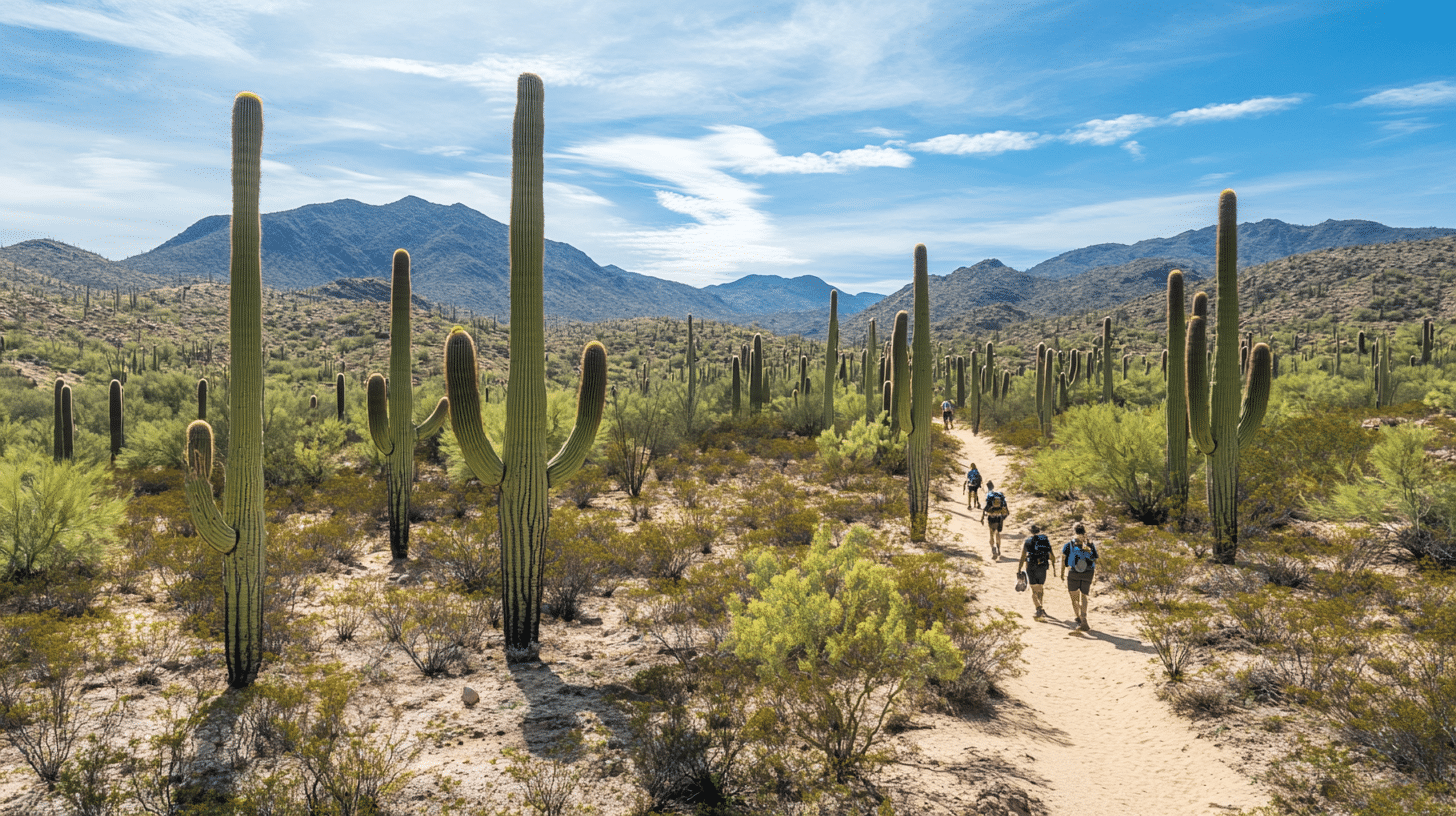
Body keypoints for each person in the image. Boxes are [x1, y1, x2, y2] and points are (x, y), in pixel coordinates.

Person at [1060, 523, 1100, 631]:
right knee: (1084, 596)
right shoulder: (1090, 544)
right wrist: (1095, 575)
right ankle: (1084, 617)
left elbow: (1064, 559)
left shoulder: (1069, 544)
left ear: (1074, 531)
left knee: (1074, 597)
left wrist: (1062, 573)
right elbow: (1096, 558)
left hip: (1074, 572)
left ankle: (1078, 618)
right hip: (1088, 572)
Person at [1016, 524, 1054, 619]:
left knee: (1033, 589)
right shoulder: (1045, 540)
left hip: (1031, 566)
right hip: (1042, 566)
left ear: (1030, 532)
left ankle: (1038, 608)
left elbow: (1023, 556)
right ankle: (1040, 607)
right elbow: (1052, 556)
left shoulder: (1027, 541)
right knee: (1040, 588)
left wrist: (1019, 569)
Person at [979, 480, 1009, 558]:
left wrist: (982, 519)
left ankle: (993, 549)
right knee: (998, 534)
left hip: (991, 519)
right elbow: (1006, 512)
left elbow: (985, 509)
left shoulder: (989, 495)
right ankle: (999, 549)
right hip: (999, 519)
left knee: (991, 534)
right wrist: (1003, 517)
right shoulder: (999, 496)